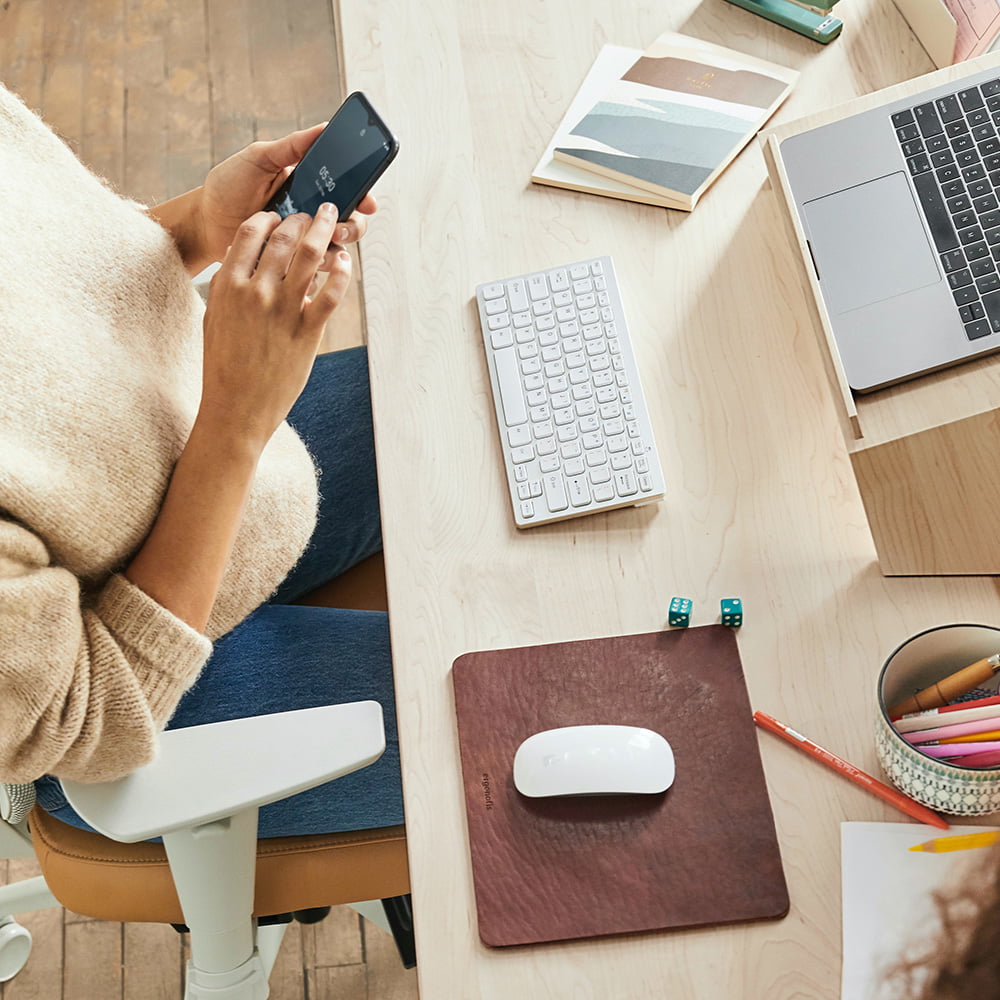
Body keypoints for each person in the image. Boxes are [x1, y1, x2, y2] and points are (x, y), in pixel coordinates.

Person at [0, 81, 403, 839]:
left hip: (187, 430)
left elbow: (34, 289)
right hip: (140, 696)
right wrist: (237, 421)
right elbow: (83, 719)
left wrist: (194, 227)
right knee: (530, 702)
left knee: (471, 397)